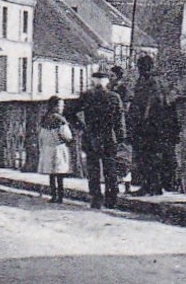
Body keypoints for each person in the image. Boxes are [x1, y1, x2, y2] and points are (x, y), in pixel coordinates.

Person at [74, 67, 125, 209]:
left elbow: (69, 112)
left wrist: (81, 126)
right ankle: (111, 199)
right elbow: (119, 120)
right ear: (107, 82)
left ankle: (96, 198)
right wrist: (121, 137)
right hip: (109, 136)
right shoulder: (114, 97)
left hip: (91, 136)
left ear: (93, 81)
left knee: (93, 169)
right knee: (110, 168)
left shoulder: (86, 96)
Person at [128, 54, 172, 196]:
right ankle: (150, 186)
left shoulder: (152, 82)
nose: (140, 69)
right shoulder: (146, 81)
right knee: (147, 157)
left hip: (150, 127)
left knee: (149, 157)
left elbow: (152, 104)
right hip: (148, 126)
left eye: (141, 67)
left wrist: (142, 122)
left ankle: (152, 186)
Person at [35, 96, 75, 203]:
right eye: (60, 105)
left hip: (47, 148)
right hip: (58, 148)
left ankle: (53, 195)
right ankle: (60, 196)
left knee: (52, 174)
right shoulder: (60, 120)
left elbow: (41, 135)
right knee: (59, 174)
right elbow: (67, 135)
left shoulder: (45, 118)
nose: (62, 107)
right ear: (55, 106)